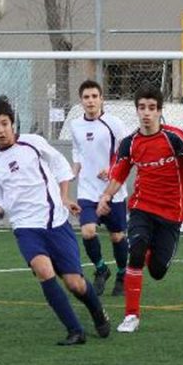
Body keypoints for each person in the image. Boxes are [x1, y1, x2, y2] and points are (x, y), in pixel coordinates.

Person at [0, 97, 111, 346]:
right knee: (44, 272)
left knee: (75, 284)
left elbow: (60, 165)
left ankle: (97, 311)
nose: (1, 130)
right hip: (26, 228)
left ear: (12, 123)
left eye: (4, 123)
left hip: (55, 223)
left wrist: (64, 197)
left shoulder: (33, 143)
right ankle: (75, 331)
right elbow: (1, 201)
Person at [97, 85, 183, 334]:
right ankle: (131, 315)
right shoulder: (129, 143)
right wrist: (106, 196)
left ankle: (153, 252)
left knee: (157, 270)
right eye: (142, 108)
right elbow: (120, 173)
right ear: (137, 110)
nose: (146, 113)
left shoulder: (176, 138)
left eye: (152, 108)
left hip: (172, 213)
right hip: (141, 206)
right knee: (136, 251)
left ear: (159, 111)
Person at [68, 79, 130, 297]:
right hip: (87, 190)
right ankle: (102, 269)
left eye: (95, 96)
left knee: (117, 237)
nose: (91, 101)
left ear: (102, 99)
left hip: (113, 190)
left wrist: (112, 170)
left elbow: (125, 154)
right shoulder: (75, 125)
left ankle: (122, 274)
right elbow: (77, 152)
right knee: (87, 231)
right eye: (86, 97)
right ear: (81, 101)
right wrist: (72, 173)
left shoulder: (114, 124)